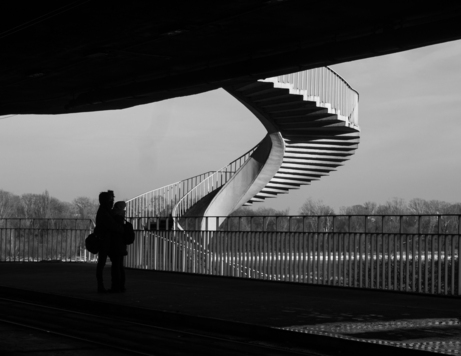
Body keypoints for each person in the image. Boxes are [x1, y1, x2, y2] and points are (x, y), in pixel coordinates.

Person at [95, 190, 124, 293]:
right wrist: (122, 228)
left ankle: (104, 286)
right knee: (106, 264)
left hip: (106, 240)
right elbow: (111, 225)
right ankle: (103, 286)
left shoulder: (104, 210)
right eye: (111, 199)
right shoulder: (105, 211)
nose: (112, 201)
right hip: (105, 241)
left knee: (104, 264)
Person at [110, 201, 130, 292]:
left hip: (116, 244)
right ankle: (121, 286)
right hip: (121, 244)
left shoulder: (115, 216)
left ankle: (116, 286)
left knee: (116, 266)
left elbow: (115, 229)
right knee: (120, 266)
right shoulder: (121, 215)